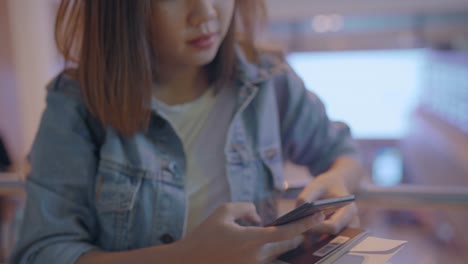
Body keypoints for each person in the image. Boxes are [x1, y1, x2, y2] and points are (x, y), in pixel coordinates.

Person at [11, 0, 364, 263]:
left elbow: (342, 152)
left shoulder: (268, 80)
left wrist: (338, 181)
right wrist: (187, 256)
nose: (205, 13)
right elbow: (43, 252)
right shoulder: (77, 104)